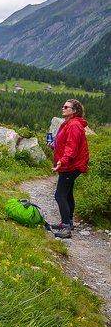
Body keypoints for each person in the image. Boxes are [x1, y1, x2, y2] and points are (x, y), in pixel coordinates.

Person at [50, 99, 89, 239]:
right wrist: (54, 146)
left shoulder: (74, 125)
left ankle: (66, 227)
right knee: (67, 193)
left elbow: (72, 148)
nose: (63, 108)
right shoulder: (68, 124)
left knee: (59, 195)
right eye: (63, 106)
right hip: (70, 164)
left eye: (66, 107)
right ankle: (69, 222)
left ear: (74, 110)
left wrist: (62, 161)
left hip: (71, 165)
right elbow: (65, 143)